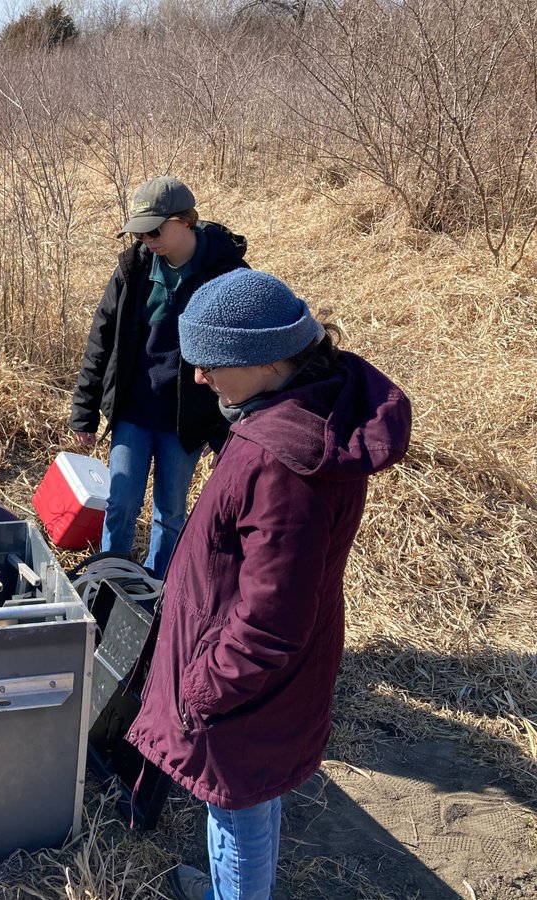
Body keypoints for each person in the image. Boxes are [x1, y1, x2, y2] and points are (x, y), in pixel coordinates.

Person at [125, 269, 412, 900]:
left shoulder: (283, 461)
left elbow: (270, 617)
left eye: (210, 363)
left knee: (237, 808)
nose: (199, 378)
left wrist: (203, 686)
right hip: (265, 677)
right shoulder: (303, 412)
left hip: (243, 685)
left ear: (268, 360)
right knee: (252, 793)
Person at [70, 176, 248, 578]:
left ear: (185, 221)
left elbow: (241, 361)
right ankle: (108, 580)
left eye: (154, 230)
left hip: (185, 420)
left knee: (170, 512)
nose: (146, 239)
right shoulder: (133, 269)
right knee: (120, 503)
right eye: (140, 231)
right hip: (133, 410)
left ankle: (155, 593)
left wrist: (225, 433)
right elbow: (101, 338)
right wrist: (85, 410)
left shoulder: (227, 273)